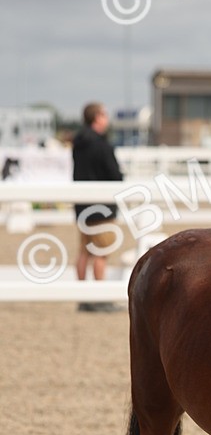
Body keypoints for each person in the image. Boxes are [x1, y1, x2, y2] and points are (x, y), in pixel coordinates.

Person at [72, 102, 123, 312]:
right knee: (102, 252)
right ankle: (100, 297)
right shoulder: (102, 145)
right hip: (101, 206)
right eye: (104, 114)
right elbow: (115, 175)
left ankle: (83, 297)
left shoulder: (78, 142)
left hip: (82, 204)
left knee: (84, 251)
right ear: (97, 118)